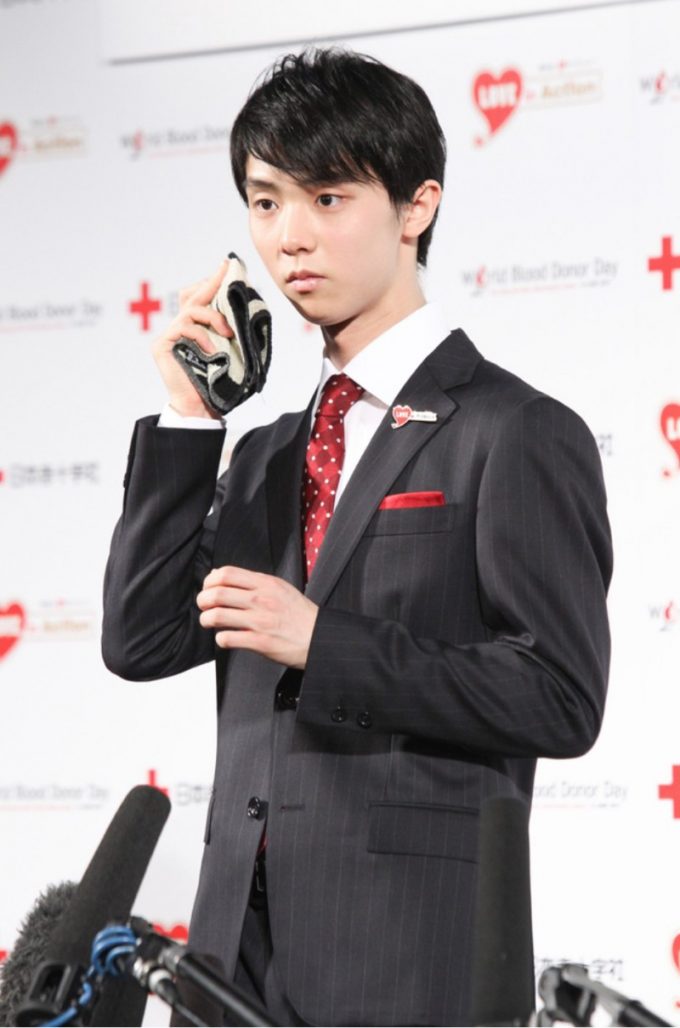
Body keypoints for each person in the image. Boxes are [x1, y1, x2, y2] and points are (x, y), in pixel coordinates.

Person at [102, 48, 613, 1027]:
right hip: (228, 967)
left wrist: (323, 643)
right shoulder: (265, 454)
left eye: (327, 198)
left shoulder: (514, 431)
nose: (288, 236)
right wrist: (189, 421)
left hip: (407, 960)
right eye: (265, 203)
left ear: (416, 206)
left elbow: (559, 696)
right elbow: (140, 638)